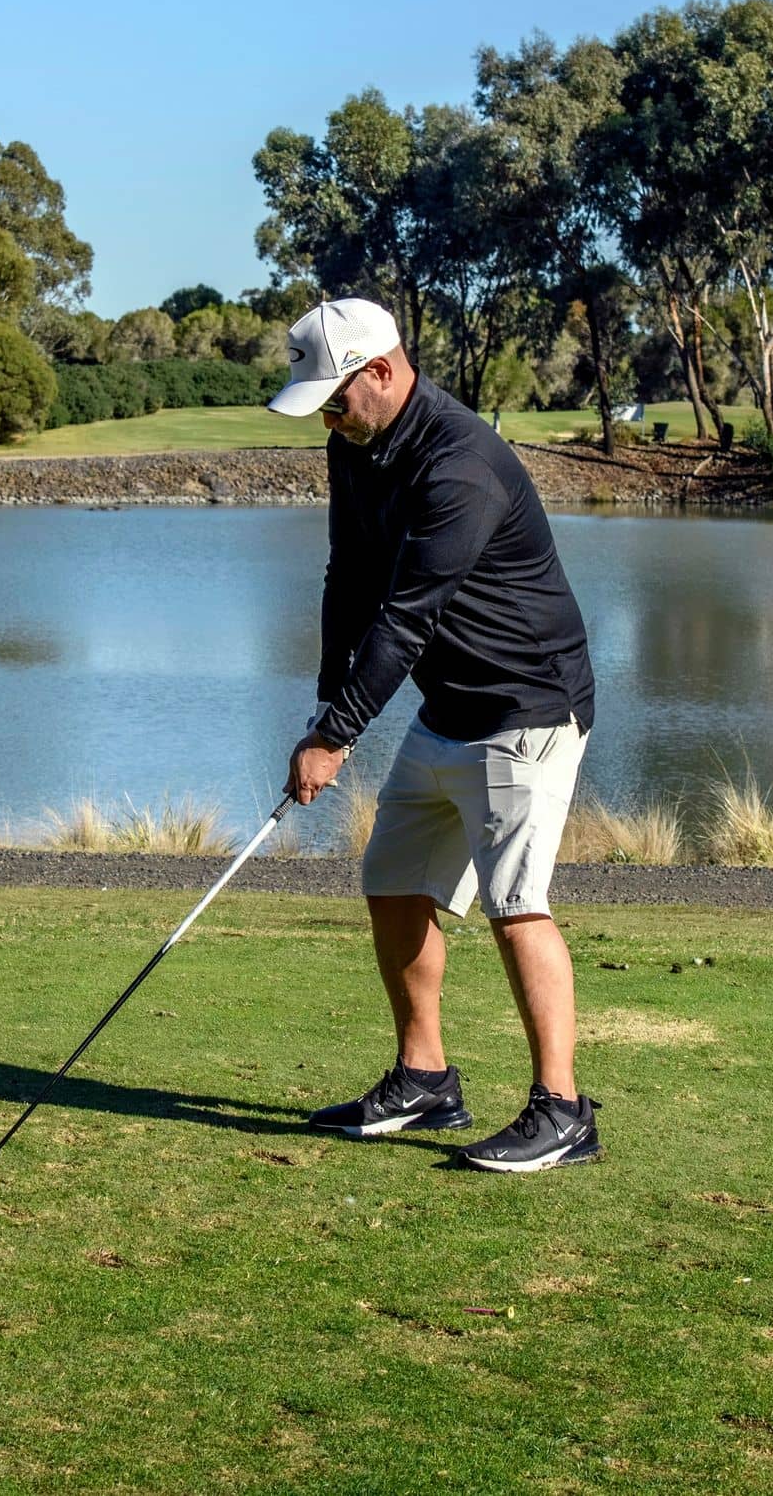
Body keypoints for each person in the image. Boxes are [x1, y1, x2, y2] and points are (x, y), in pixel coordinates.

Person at [267, 297, 604, 1172]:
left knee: (516, 904)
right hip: (449, 707)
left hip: (528, 705)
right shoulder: (357, 447)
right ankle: (425, 1078)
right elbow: (349, 581)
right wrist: (322, 706)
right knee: (394, 879)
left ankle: (563, 1109)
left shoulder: (461, 465)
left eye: (337, 399)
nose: (331, 420)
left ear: (381, 369)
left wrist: (336, 737)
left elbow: (405, 621)